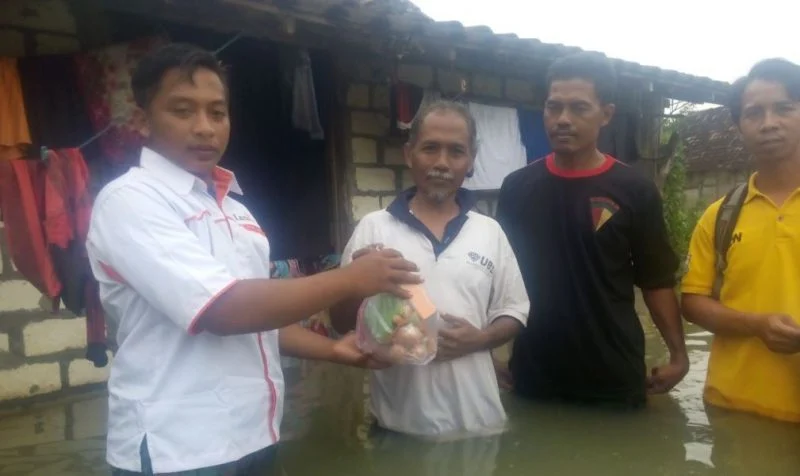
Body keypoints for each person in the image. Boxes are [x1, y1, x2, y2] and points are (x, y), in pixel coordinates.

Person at [86, 43, 421, 475]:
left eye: (218, 112)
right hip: (179, 450)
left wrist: (336, 349)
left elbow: (260, 320)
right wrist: (350, 278)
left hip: (254, 436)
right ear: (144, 118)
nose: (205, 128)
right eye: (183, 111)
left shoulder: (236, 210)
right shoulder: (130, 201)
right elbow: (223, 310)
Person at [495, 52, 689, 408]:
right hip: (534, 373)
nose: (563, 119)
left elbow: (656, 281)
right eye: (554, 107)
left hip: (613, 375)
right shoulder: (517, 188)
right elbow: (497, 276)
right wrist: (486, 352)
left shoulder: (634, 189)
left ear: (607, 114)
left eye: (579, 108)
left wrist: (679, 355)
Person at [329, 100, 530, 439]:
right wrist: (359, 283)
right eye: (430, 148)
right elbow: (339, 323)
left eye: (455, 151)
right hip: (399, 427)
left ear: (471, 161)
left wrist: (480, 340)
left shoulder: (489, 231)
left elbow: (515, 311)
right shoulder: (374, 229)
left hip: (479, 425)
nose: (441, 163)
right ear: (409, 154)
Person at [681, 58, 800, 423]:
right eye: (754, 113)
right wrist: (757, 325)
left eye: (784, 109)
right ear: (739, 126)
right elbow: (692, 301)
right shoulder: (720, 215)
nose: (769, 123)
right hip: (734, 408)